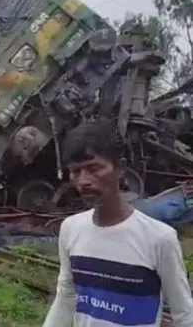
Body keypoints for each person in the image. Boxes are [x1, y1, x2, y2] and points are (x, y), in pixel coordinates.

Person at [43, 120, 193, 327]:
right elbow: (66, 298)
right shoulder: (71, 229)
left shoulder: (159, 238)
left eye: (93, 168)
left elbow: (185, 315)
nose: (83, 180)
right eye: (76, 172)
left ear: (120, 168)